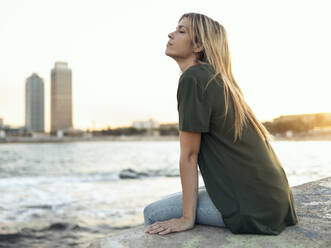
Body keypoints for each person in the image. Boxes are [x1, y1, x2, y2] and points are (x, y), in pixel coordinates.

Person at [143, 12, 298, 236]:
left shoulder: (193, 78)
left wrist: (187, 219)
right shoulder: (218, 78)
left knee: (152, 213)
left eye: (181, 30)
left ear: (198, 45)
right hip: (275, 202)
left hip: (254, 209)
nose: (170, 34)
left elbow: (189, 155)